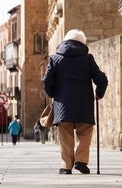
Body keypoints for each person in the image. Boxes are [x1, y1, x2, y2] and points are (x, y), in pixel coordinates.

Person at [42, 29, 108, 175]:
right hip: (84, 103)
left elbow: (46, 81)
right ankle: (81, 161)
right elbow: (102, 79)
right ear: (82, 43)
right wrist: (99, 93)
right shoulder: (87, 58)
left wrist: (54, 94)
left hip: (62, 104)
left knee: (65, 135)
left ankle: (66, 167)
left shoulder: (55, 59)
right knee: (85, 132)